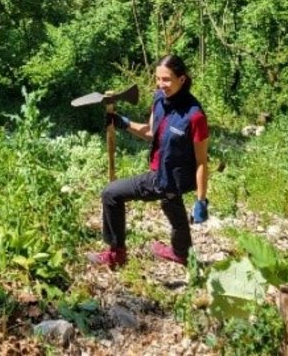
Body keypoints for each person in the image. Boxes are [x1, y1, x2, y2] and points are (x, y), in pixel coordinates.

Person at [87, 54, 209, 269]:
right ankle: (182, 253)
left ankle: (117, 254)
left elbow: (201, 162)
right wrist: (124, 123)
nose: (161, 85)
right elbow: (152, 132)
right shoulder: (159, 99)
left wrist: (201, 200)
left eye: (167, 80)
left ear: (182, 79)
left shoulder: (194, 116)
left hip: (166, 178)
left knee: (111, 194)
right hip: (167, 174)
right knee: (172, 204)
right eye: (158, 79)